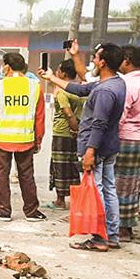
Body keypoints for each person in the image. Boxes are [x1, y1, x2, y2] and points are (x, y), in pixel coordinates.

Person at [40, 43, 126, 250]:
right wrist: (52, 77)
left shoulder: (105, 91)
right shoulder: (116, 83)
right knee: (109, 189)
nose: (94, 61)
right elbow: (81, 89)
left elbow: (99, 124)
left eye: (96, 58)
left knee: (96, 191)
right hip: (109, 146)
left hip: (96, 147)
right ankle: (111, 234)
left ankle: (100, 238)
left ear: (103, 62)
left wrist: (89, 152)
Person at [0, 52, 45, 221]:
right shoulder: (35, 87)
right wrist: (38, 139)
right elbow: (39, 117)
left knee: (2, 176)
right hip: (26, 139)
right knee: (27, 176)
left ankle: (4, 211)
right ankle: (32, 211)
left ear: (7, 66)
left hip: (2, 139)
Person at [116, 45, 140, 241]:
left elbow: (120, 116)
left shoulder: (128, 84)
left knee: (119, 183)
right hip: (139, 137)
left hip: (125, 136)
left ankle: (120, 227)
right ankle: (127, 226)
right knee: (132, 183)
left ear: (126, 60)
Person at [46, 59, 84, 211]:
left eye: (58, 70)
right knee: (74, 165)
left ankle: (60, 200)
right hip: (78, 132)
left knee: (59, 166)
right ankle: (76, 199)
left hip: (63, 132)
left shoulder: (63, 92)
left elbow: (68, 113)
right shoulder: (81, 90)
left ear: (64, 73)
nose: (56, 73)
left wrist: (73, 129)